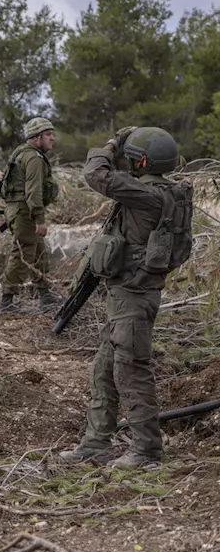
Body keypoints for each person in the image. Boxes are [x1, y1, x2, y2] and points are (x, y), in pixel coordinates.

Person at [58, 127, 192, 470]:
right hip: (126, 296)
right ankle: (95, 443)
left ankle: (146, 450)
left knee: (132, 371)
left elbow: (95, 174)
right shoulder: (162, 190)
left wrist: (111, 143)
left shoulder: (146, 193)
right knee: (104, 370)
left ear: (142, 161)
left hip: (134, 296)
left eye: (133, 157)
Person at [0, 116, 62, 312]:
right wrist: (40, 219)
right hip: (24, 210)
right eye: (48, 135)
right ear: (37, 138)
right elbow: (33, 192)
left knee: (38, 250)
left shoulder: (22, 153)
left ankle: (44, 294)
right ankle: (7, 300)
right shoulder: (33, 157)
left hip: (19, 209)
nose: (53, 138)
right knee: (23, 252)